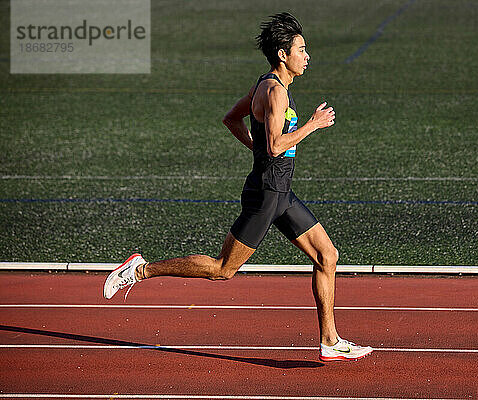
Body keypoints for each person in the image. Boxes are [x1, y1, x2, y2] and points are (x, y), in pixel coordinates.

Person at [103, 12, 372, 362]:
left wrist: (258, 149)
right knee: (222, 269)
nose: (307, 57)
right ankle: (139, 269)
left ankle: (329, 340)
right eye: (301, 50)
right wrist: (312, 125)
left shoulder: (264, 84)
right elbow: (275, 146)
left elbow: (232, 118)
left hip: (280, 192)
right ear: (282, 55)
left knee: (327, 256)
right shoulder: (275, 93)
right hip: (266, 195)